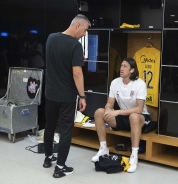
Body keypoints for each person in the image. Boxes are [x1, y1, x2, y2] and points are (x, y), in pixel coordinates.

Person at [43, 14, 90, 178]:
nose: (84, 34)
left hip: (50, 94)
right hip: (66, 97)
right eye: (85, 30)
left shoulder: (50, 38)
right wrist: (82, 96)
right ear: (77, 25)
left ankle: (48, 159)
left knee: (49, 127)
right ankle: (60, 168)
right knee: (66, 131)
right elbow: (77, 74)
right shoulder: (75, 46)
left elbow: (56, 61)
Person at [91, 58, 151, 173]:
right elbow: (110, 102)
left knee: (133, 115)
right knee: (99, 112)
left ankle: (134, 155)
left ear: (132, 70)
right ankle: (103, 149)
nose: (121, 69)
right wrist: (108, 108)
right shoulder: (115, 82)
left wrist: (117, 112)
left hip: (140, 117)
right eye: (121, 66)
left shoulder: (140, 84)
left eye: (125, 66)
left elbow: (139, 109)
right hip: (123, 116)